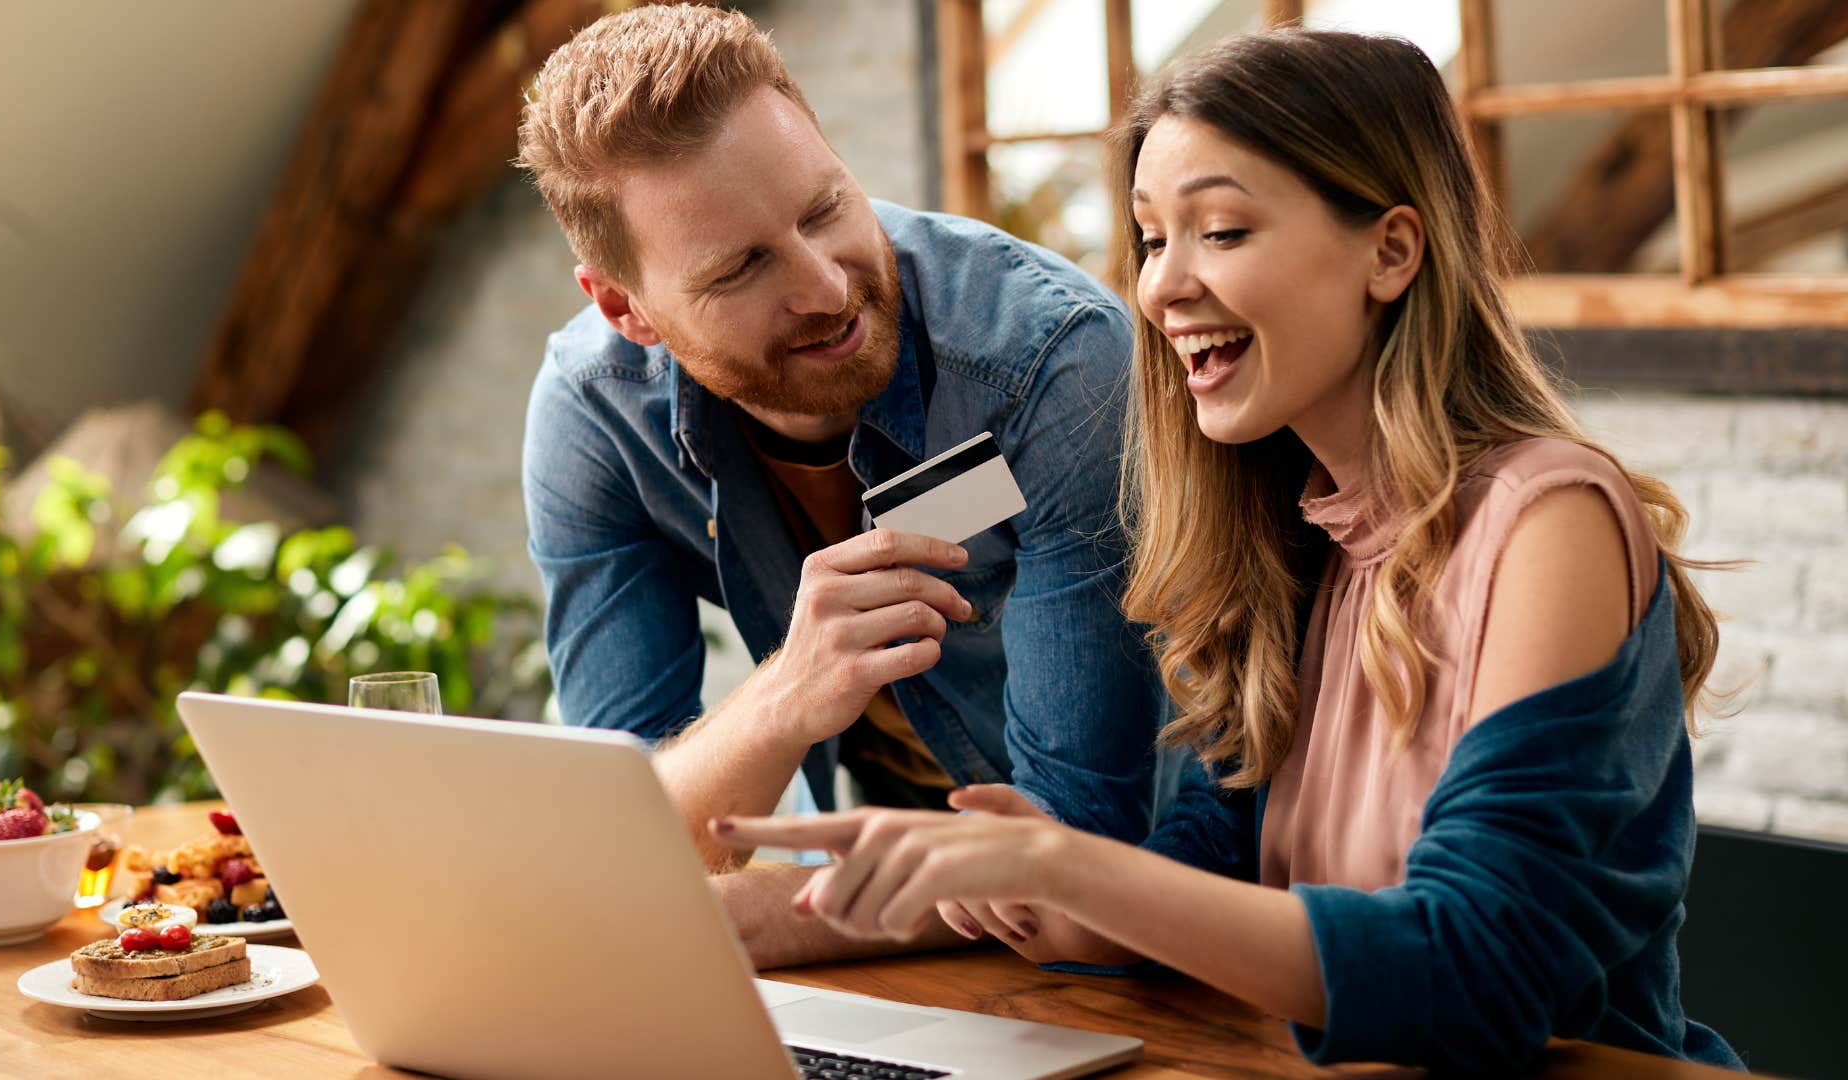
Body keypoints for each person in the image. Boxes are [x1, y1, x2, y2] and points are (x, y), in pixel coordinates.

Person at [715, 29, 1745, 1074]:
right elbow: (1209, 871)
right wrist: (1033, 894)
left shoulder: (1548, 519)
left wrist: (1072, 868)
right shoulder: (1294, 540)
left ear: (1391, 251)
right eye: (1152, 240)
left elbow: (1477, 969)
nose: (1161, 288)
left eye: (1220, 230)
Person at [514, 4, 1168, 968]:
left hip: (1152, 941)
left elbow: (1078, 854)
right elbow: (626, 830)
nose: (825, 287)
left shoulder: (1049, 363)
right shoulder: (596, 414)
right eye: (742, 267)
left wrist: (728, 921)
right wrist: (786, 696)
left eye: (824, 208)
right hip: (905, 939)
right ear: (626, 308)